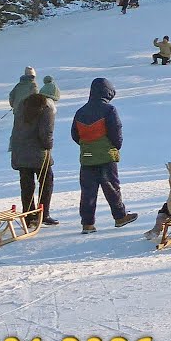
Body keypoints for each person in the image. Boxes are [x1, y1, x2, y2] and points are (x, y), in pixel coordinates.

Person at [71, 78, 138, 233]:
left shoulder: (80, 112)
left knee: (88, 191)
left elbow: (74, 134)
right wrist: (114, 146)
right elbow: (116, 132)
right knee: (112, 187)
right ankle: (120, 216)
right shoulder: (109, 110)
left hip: (86, 157)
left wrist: (87, 145)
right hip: (106, 156)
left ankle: (87, 224)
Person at [11, 92, 58, 227]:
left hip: (20, 151)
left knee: (26, 184)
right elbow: (46, 132)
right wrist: (48, 145)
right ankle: (43, 214)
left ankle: (28, 214)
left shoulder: (22, 107)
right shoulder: (46, 109)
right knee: (46, 182)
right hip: (38, 152)